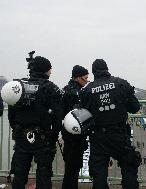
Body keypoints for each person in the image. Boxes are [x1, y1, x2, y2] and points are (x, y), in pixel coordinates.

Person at [79, 59, 141, 189]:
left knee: (99, 172)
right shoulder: (121, 84)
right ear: (106, 69)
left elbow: (83, 115)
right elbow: (135, 107)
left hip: (98, 137)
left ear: (93, 72)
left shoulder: (87, 90)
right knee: (129, 166)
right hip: (119, 135)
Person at [7, 55, 64, 189]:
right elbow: (58, 116)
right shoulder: (51, 88)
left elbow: (11, 114)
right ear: (45, 70)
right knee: (43, 175)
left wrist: (17, 130)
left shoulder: (18, 87)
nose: (51, 72)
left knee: (20, 175)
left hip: (21, 137)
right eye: (50, 69)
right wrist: (53, 136)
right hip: (43, 139)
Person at [61, 65, 89, 189]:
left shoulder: (65, 90)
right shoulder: (77, 93)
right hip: (76, 136)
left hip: (67, 134)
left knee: (70, 169)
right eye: (85, 78)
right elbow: (80, 115)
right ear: (78, 78)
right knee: (73, 169)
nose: (87, 81)